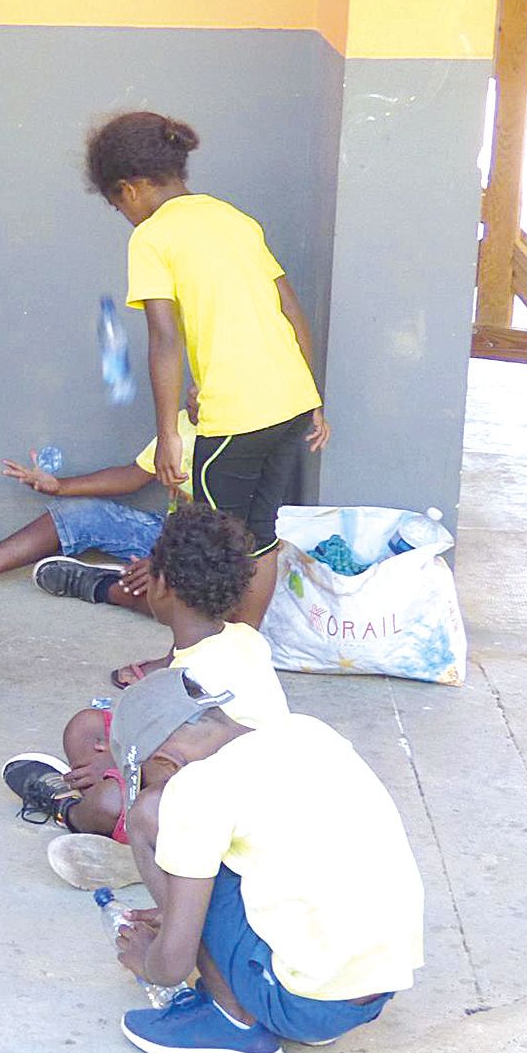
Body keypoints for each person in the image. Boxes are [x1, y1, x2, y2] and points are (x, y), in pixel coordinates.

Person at [88, 111, 328, 680]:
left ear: (130, 188)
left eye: (117, 205)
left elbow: (165, 340)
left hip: (237, 418)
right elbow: (290, 310)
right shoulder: (232, 217)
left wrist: (170, 432)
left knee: (203, 550)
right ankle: (241, 657)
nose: (124, 216)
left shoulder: (151, 237)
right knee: (259, 537)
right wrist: (312, 396)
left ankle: (189, 669)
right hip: (290, 403)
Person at [101, 669, 423, 1053]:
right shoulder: (308, 733)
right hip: (372, 988)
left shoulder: (196, 787)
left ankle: (232, 1021)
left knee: (147, 815)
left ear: (167, 762)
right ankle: (297, 998)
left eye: (151, 779)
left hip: (303, 1002)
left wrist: (150, 960)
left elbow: (172, 968)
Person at [0, 505, 289, 892]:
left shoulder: (193, 681)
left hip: (217, 802)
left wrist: (121, 762)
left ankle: (73, 813)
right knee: (87, 724)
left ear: (162, 585)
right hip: (221, 775)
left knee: (106, 802)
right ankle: (142, 839)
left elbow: (186, 771)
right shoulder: (241, 639)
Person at [0, 407, 199, 614]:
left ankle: (100, 585)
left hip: (212, 553)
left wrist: (169, 560)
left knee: (201, 593)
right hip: (167, 534)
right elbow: (133, 475)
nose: (195, 392)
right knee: (82, 512)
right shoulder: (182, 426)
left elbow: (238, 538)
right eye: (196, 381)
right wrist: (60, 487)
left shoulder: (240, 442)